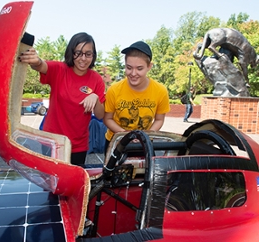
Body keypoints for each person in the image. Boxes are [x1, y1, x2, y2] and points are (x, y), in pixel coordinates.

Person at [18, 32, 105, 165]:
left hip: (78, 145)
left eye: (88, 54)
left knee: (73, 183)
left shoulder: (96, 79)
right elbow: (41, 65)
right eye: (78, 53)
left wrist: (95, 98)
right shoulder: (60, 70)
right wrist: (35, 60)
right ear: (71, 52)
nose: (83, 58)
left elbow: (100, 115)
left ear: (93, 56)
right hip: (52, 141)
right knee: (51, 182)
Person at [103, 41, 170, 154]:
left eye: (139, 68)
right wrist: (127, 135)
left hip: (145, 143)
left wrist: (145, 135)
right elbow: (107, 119)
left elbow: (159, 119)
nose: (133, 73)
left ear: (149, 66)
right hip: (116, 142)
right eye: (129, 68)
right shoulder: (114, 90)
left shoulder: (160, 91)